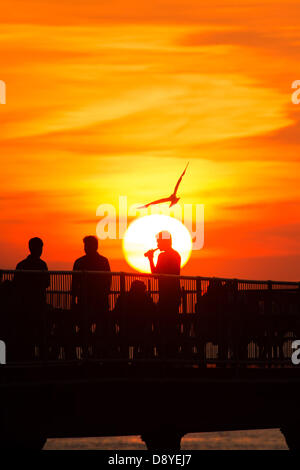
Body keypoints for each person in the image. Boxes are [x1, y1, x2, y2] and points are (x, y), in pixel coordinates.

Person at [72, 236, 111, 356]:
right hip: (94, 302)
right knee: (93, 328)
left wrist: (73, 300)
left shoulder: (80, 262)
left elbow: (74, 284)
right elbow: (108, 281)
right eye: (85, 246)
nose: (86, 248)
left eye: (87, 245)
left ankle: (90, 353)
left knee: (90, 328)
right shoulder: (103, 261)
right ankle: (94, 353)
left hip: (91, 302)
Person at [145, 231, 181, 356]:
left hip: (166, 296)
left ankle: (164, 353)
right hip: (175, 295)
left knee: (162, 324)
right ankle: (172, 353)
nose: (157, 243)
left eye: (159, 241)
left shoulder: (163, 256)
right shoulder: (176, 254)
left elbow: (155, 275)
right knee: (171, 324)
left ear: (165, 242)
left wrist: (150, 258)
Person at [14, 237, 50, 360]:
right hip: (37, 305)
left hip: (25, 306)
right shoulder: (42, 265)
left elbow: (16, 284)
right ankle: (41, 359)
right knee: (40, 333)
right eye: (40, 248)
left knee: (27, 334)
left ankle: (27, 358)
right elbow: (47, 283)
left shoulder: (21, 265)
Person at [113, 280, 156, 358]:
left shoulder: (124, 298)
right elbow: (153, 314)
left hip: (126, 332)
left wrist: (122, 326)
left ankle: (123, 360)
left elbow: (115, 315)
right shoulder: (146, 299)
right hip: (142, 333)